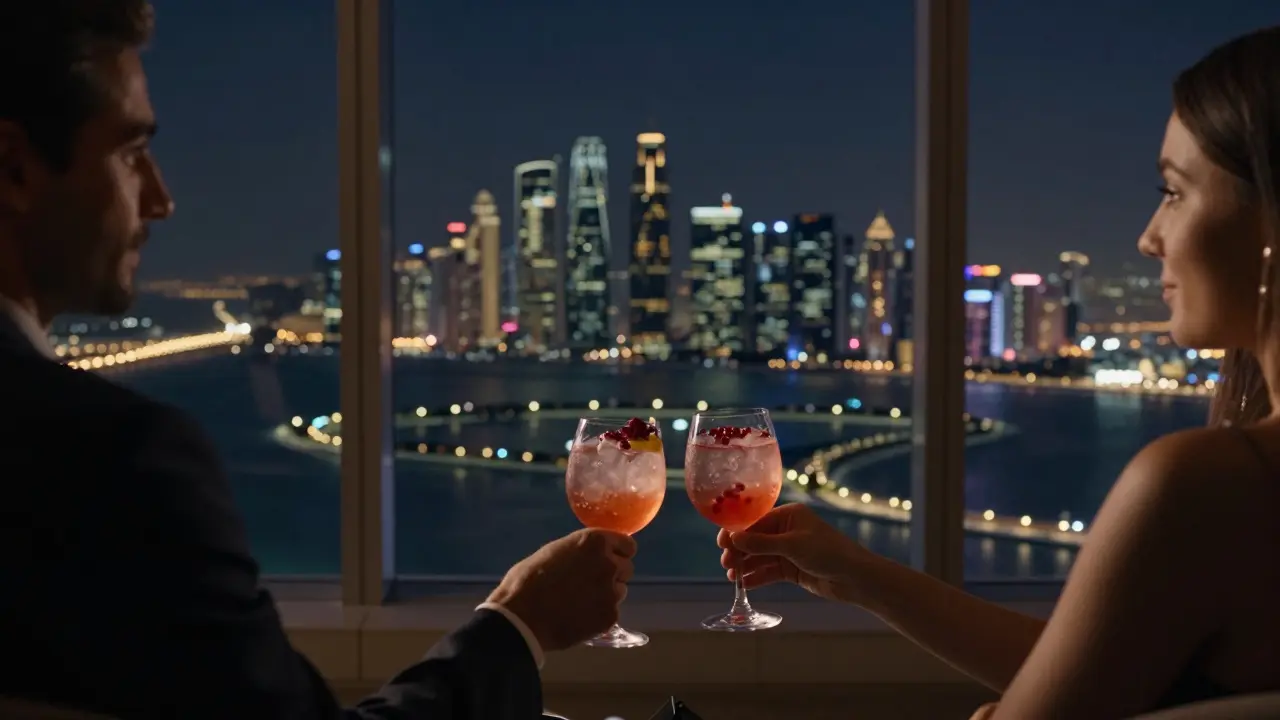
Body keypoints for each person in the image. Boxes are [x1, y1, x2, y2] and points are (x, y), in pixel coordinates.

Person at [0, 2, 635, 718]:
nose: (160, 198)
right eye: (127, 153)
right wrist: (520, 626)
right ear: (15, 168)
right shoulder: (111, 465)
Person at [718, 25, 1280, 720]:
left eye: (1173, 192)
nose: (1148, 236)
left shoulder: (1202, 486)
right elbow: (1111, 668)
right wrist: (862, 577)